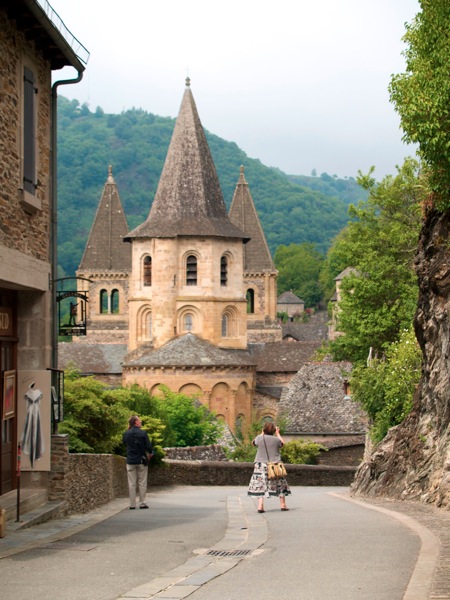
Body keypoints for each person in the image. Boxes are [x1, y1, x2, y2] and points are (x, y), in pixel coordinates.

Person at [247, 421, 291, 513]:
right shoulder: (276, 440)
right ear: (274, 430)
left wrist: (262, 433)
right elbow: (282, 443)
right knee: (280, 483)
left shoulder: (259, 438)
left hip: (260, 465)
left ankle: (260, 506)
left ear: (264, 429)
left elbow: (253, 443)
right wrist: (278, 434)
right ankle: (283, 505)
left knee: (261, 484)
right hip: (275, 465)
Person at [123, 415, 153, 509]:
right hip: (141, 460)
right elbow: (149, 447)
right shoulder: (143, 433)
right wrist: (150, 454)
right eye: (139, 421)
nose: (141, 422)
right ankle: (142, 502)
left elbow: (124, 443)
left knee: (131, 483)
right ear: (135, 422)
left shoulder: (126, 433)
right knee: (142, 482)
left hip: (130, 460)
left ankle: (132, 504)